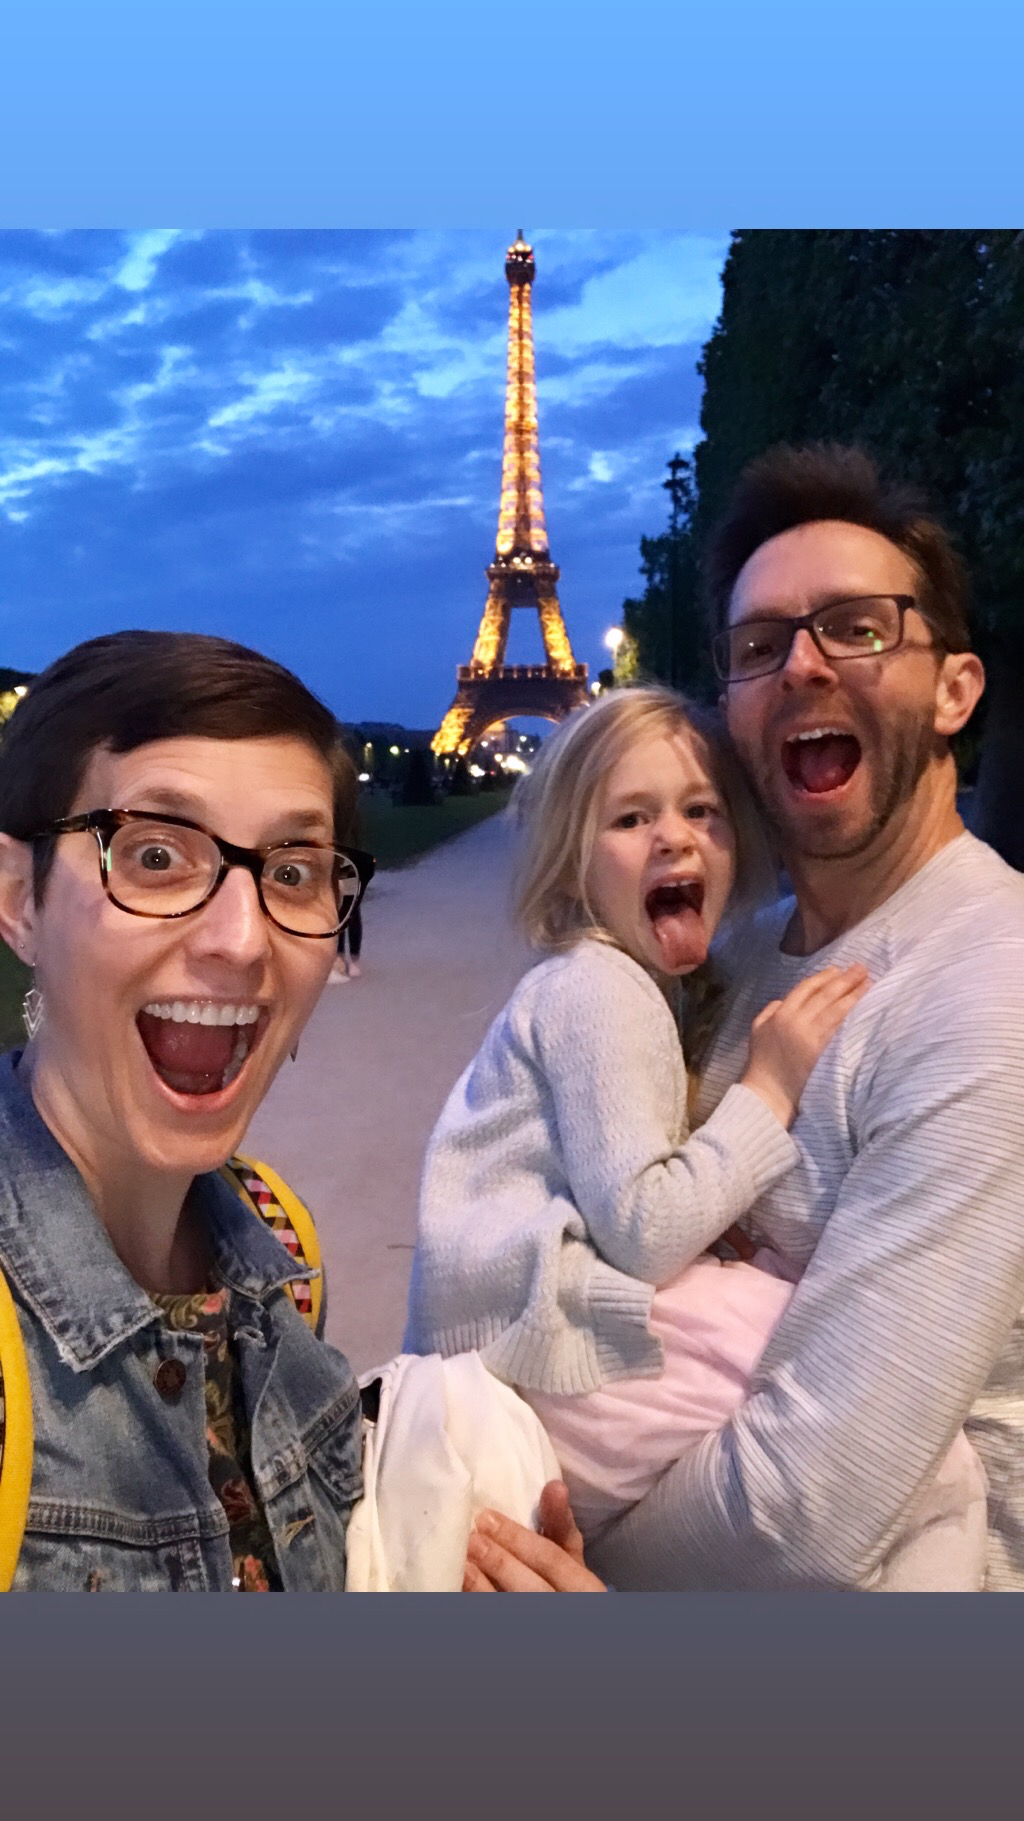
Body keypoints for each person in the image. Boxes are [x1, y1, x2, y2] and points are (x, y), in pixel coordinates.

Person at [0, 629, 598, 1592]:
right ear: (17, 898)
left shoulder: (278, 1237)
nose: (242, 940)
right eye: (156, 854)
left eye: (291, 871)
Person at [405, 686, 989, 1588]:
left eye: (701, 810)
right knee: (942, 1475)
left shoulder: (610, 981)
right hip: (552, 1336)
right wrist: (768, 1088)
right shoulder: (601, 989)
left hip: (520, 1340)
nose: (674, 837)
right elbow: (644, 1230)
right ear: (570, 865)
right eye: (631, 817)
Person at [583, 443, 1024, 1592]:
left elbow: (807, 1506)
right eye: (759, 645)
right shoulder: (722, 958)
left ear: (954, 689)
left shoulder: (993, 988)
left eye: (857, 627)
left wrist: (561, 1563)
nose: (802, 663)